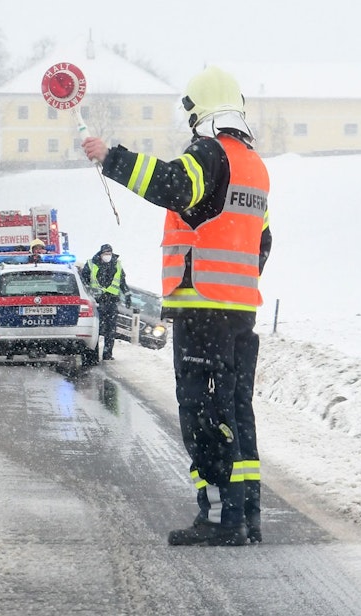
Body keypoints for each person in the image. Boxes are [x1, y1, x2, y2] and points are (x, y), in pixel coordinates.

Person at [82, 65, 271, 547]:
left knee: (203, 412)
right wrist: (237, 285)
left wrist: (112, 158)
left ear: (197, 110)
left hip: (202, 309)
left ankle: (219, 519)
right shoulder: (254, 165)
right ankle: (246, 515)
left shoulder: (209, 153)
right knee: (235, 410)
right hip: (239, 311)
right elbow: (263, 241)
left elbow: (172, 184)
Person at [81, 243, 130, 360]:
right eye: (105, 253)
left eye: (109, 253)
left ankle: (108, 353)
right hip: (96, 302)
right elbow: (84, 281)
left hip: (111, 302)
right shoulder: (91, 263)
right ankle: (93, 354)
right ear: (101, 254)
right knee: (96, 329)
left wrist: (128, 295)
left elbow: (122, 282)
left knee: (110, 330)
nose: (107, 255)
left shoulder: (117, 265)